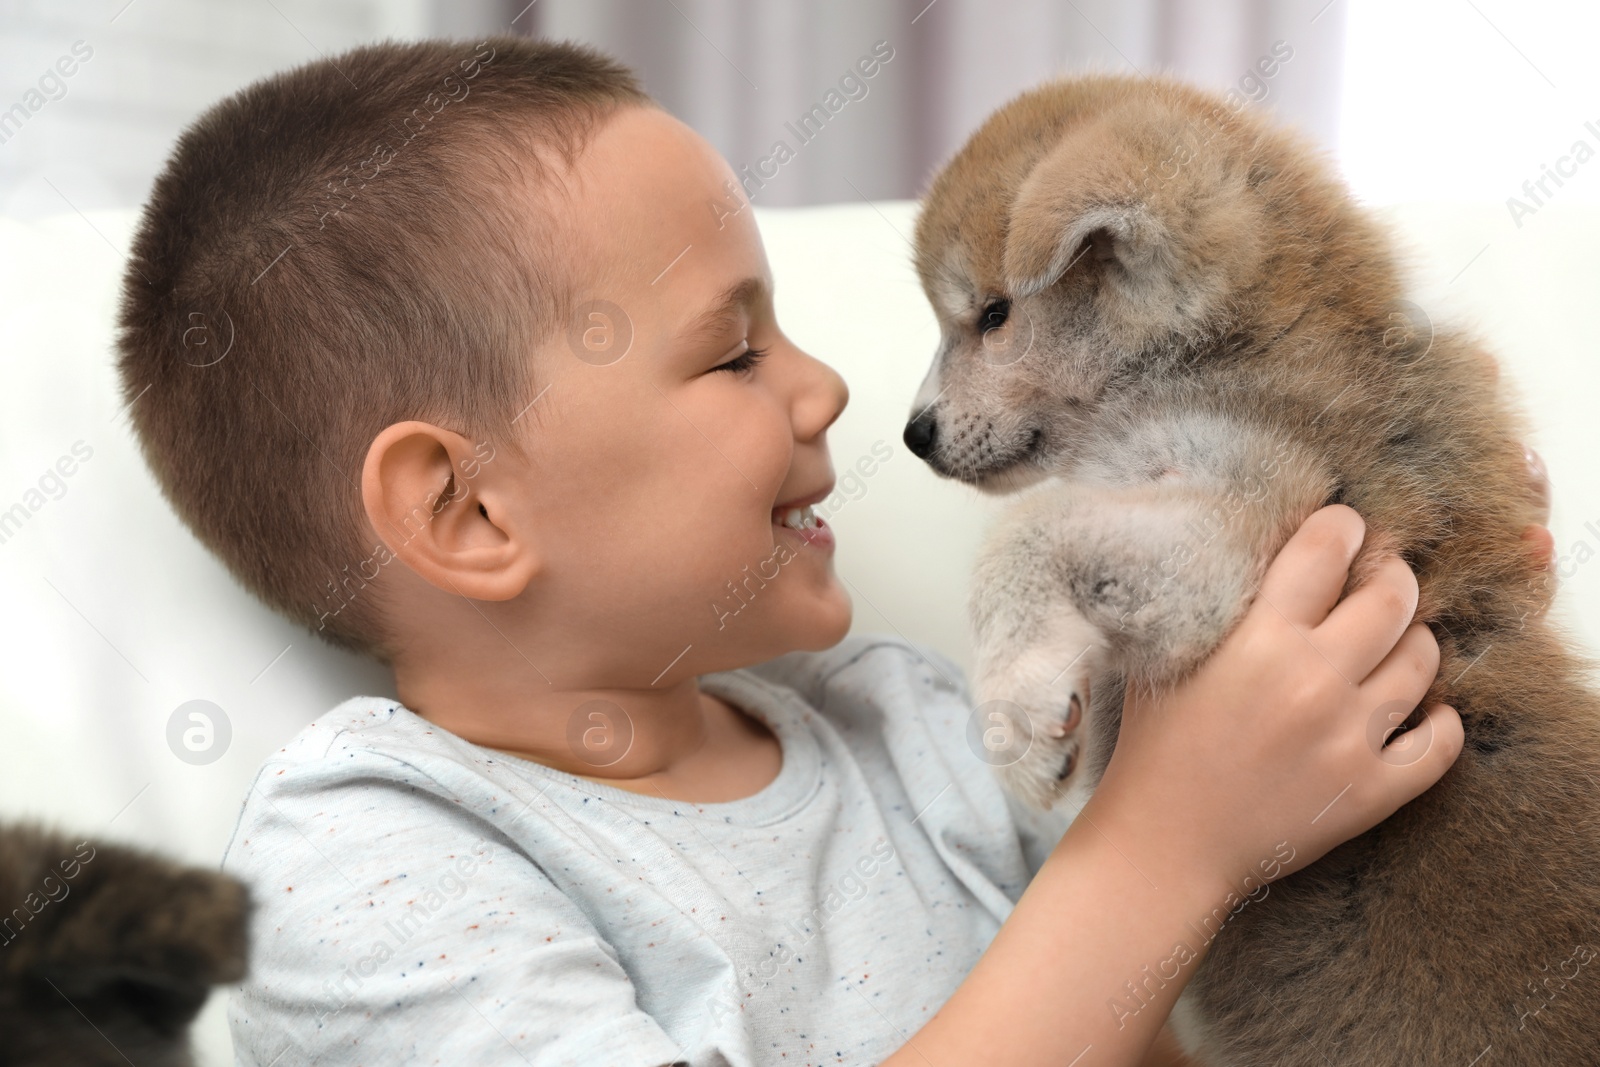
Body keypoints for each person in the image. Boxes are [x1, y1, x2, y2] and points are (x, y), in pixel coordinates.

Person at [113, 36, 1557, 1067]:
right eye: (733, 355)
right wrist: (1163, 854)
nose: (829, 392)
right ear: (467, 515)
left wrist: (1413, 542)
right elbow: (1157, 879)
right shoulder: (371, 852)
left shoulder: (912, 729)